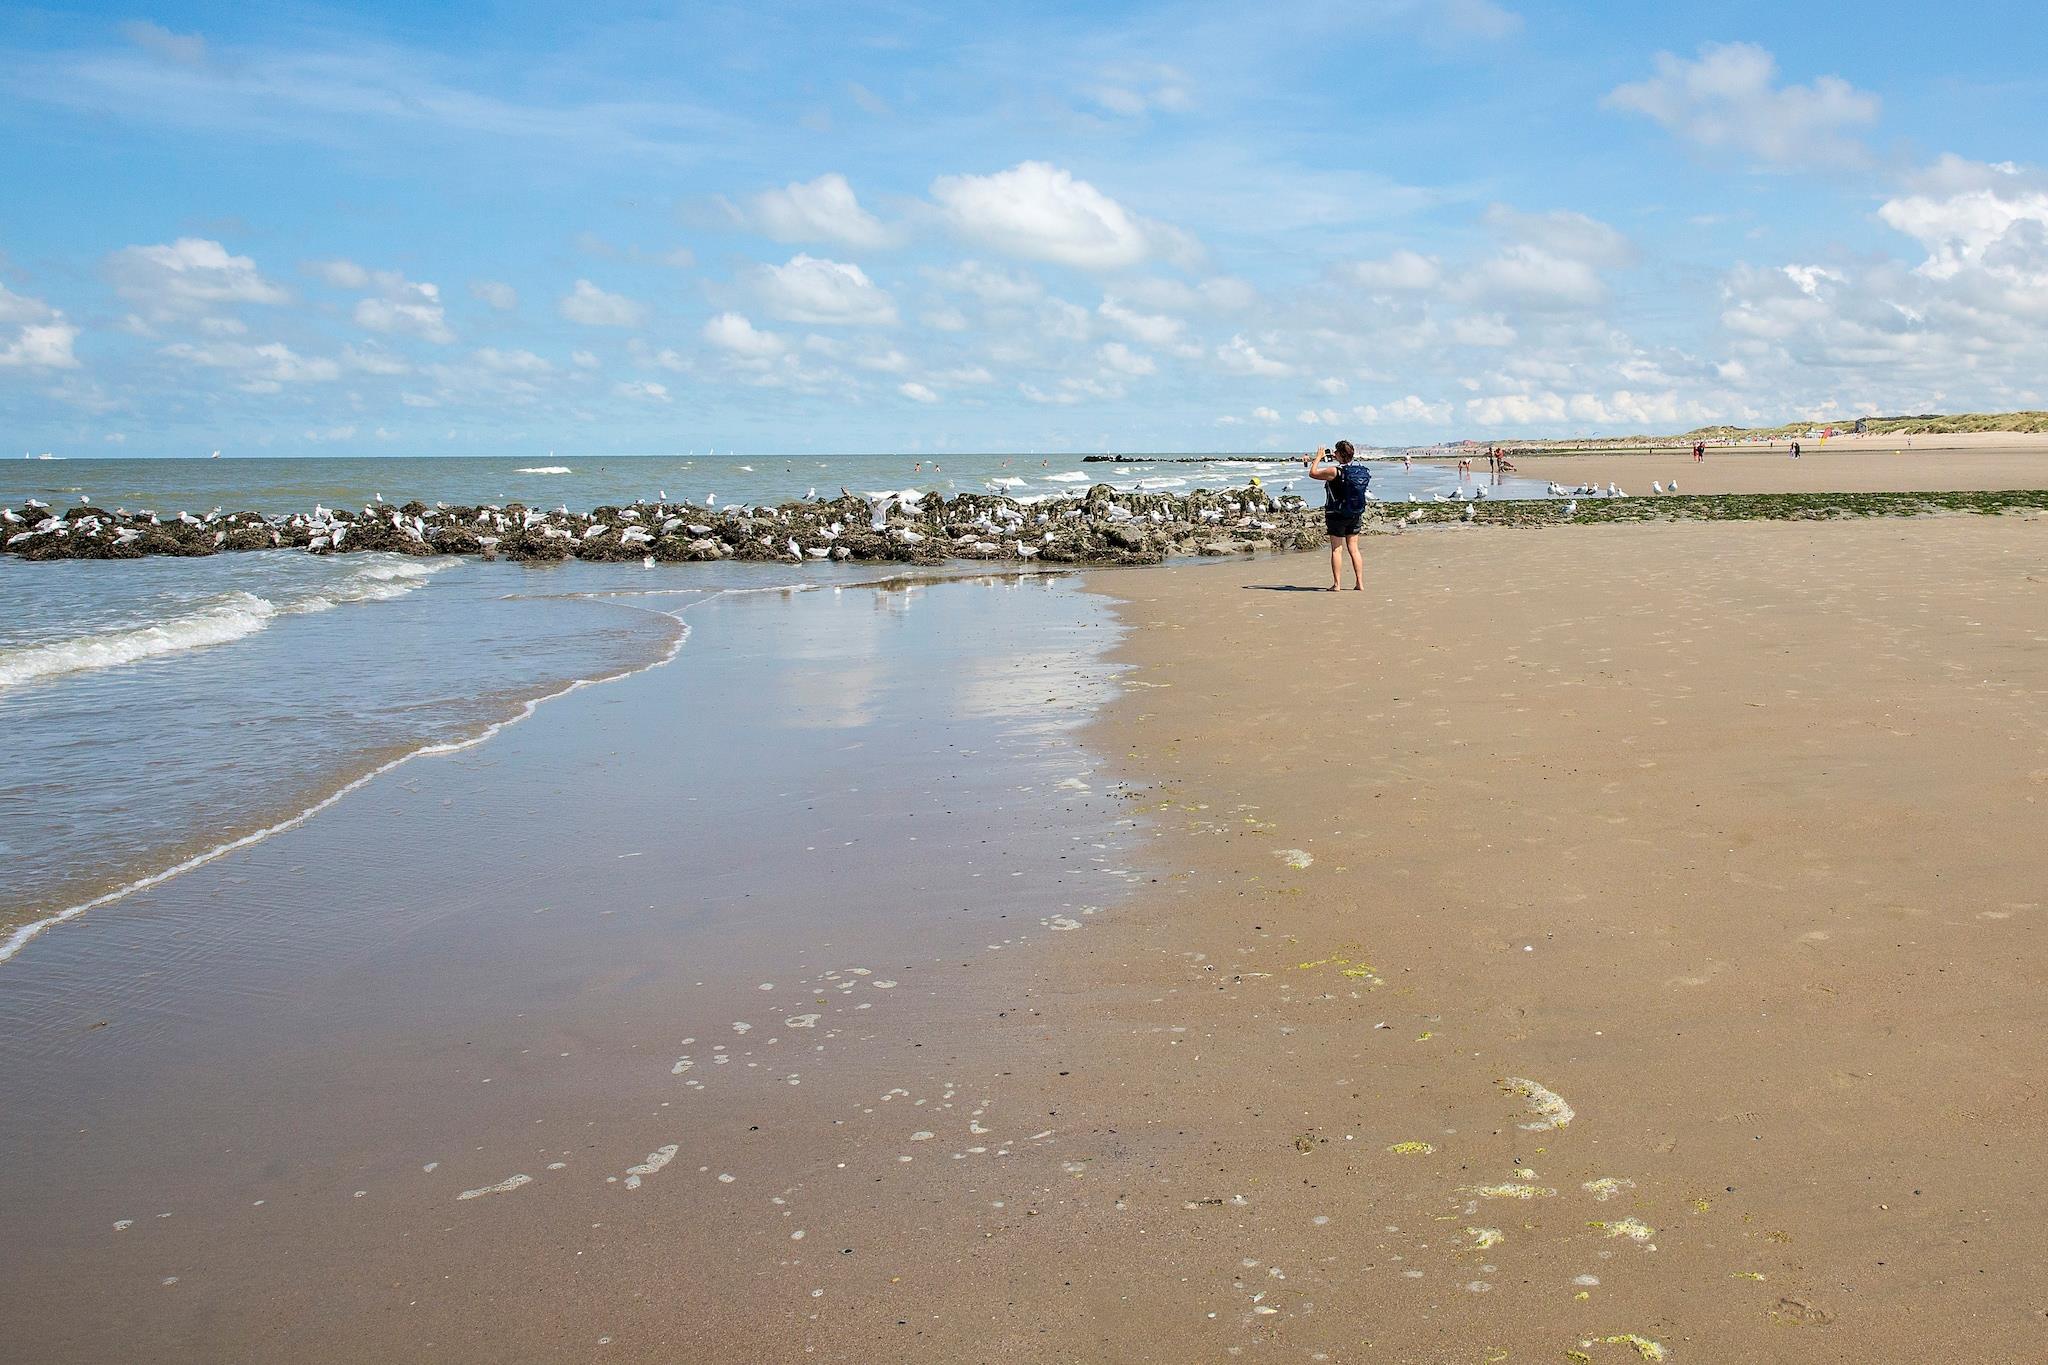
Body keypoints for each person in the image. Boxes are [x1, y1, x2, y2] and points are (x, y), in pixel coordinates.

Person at [1305, 440, 1369, 591]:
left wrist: (1319, 457)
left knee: (1336, 549)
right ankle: (1359, 583)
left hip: (1336, 514)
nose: (1333, 453)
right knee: (1354, 549)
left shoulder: (1334, 471)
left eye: (1336, 451)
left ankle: (1337, 584)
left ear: (1340, 454)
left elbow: (1312, 473)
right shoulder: (1358, 471)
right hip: (1355, 513)